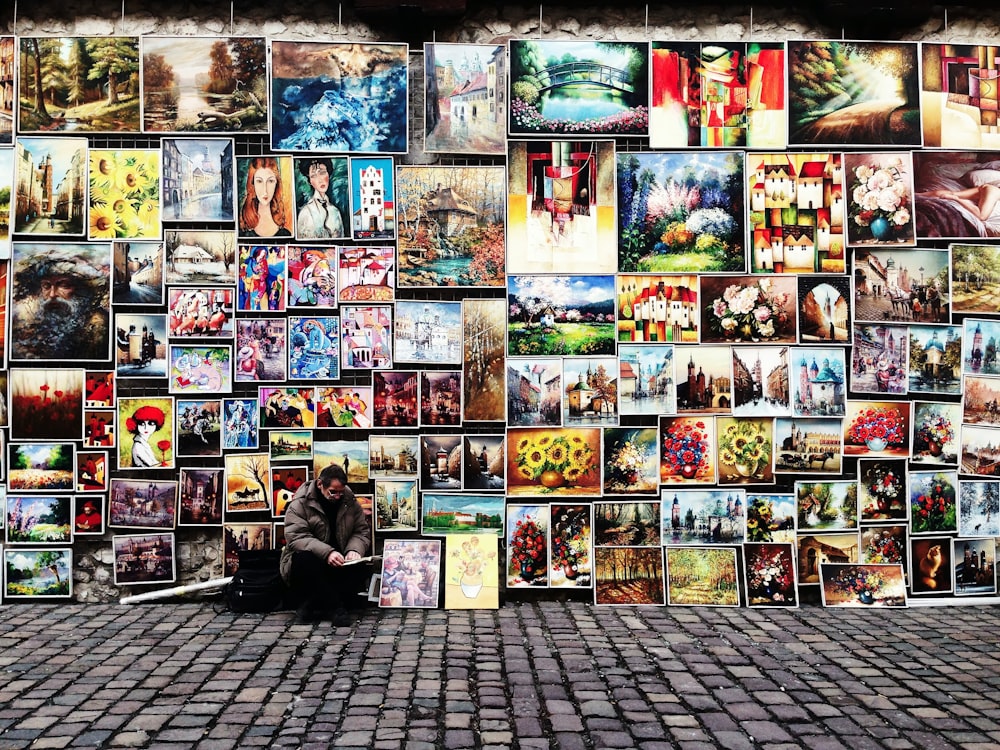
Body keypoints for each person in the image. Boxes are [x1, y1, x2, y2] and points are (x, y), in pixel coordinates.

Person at [280, 464, 371, 625]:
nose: (337, 496)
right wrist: (327, 553)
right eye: (333, 492)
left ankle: (313, 604)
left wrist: (354, 550)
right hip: (312, 562)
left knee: (363, 566)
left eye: (340, 492)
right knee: (306, 561)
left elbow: (361, 531)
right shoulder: (299, 504)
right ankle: (335, 607)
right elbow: (297, 537)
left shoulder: (349, 502)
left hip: (340, 561)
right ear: (320, 484)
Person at [10, 247, 110, 360]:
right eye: (46, 286)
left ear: (81, 289)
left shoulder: (98, 327)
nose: (52, 294)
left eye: (63, 285)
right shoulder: (39, 323)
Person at [240, 157, 292, 238]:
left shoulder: (285, 234)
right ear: (252, 184)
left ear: (276, 184)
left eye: (270, 181)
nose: (265, 190)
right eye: (259, 181)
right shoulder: (243, 232)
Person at [296, 157, 344, 239]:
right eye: (313, 176)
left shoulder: (335, 211)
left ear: (328, 174)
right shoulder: (306, 212)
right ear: (310, 181)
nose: (320, 180)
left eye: (322, 173)